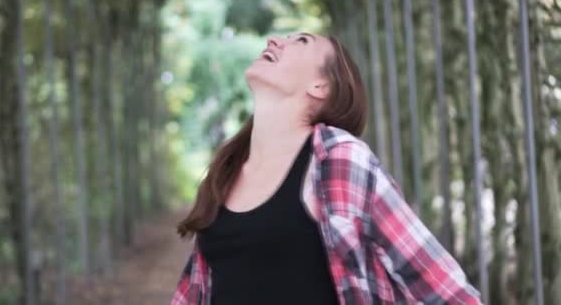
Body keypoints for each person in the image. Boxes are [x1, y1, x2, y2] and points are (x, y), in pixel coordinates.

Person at [170, 32, 481, 304]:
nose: (275, 40)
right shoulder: (226, 172)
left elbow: (441, 284)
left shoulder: (338, 159)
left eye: (301, 40)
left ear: (321, 86)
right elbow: (195, 291)